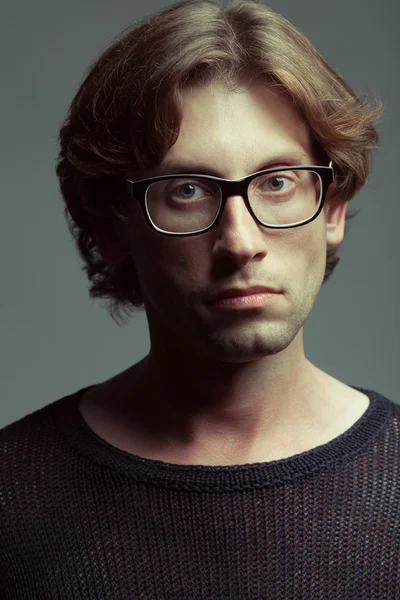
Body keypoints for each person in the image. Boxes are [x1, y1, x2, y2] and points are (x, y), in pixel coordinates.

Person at [1, 0, 398, 597]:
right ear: (113, 227)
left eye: (278, 182)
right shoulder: (12, 493)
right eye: (186, 190)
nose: (239, 242)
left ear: (333, 207)